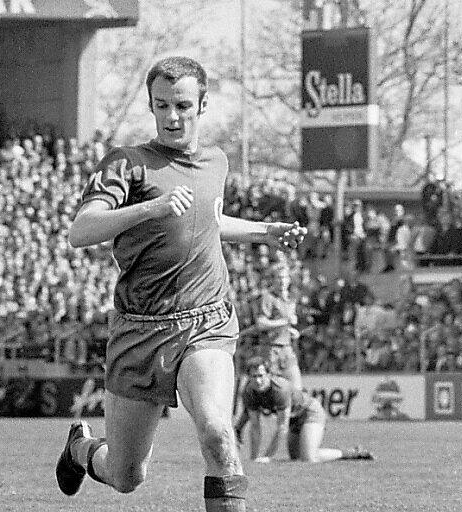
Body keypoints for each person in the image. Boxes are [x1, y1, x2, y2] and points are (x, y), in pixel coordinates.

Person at [54, 56, 307, 512]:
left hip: (204, 320)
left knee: (217, 432)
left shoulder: (217, 162)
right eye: (162, 105)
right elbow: (81, 231)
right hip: (139, 330)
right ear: (151, 106)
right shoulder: (127, 163)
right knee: (127, 475)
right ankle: (82, 449)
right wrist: (150, 208)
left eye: (183, 106)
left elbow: (206, 221)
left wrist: (263, 231)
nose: (172, 116)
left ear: (203, 105)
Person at [234, 356, 373, 463]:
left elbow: (282, 426)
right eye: (254, 376)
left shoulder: (280, 389)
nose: (258, 380)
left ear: (269, 375)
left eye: (261, 376)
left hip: (310, 413)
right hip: (294, 420)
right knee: (296, 458)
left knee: (309, 458)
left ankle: (351, 453)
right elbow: (255, 427)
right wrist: (254, 458)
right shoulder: (249, 391)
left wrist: (267, 457)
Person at [254, 270, 303, 391]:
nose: (282, 281)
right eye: (279, 278)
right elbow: (261, 323)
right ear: (274, 280)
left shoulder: (290, 299)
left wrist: (291, 331)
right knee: (271, 391)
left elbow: (285, 323)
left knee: (297, 389)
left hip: (287, 349)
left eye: (284, 277)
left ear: (289, 280)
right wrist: (285, 322)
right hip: (271, 350)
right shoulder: (268, 297)